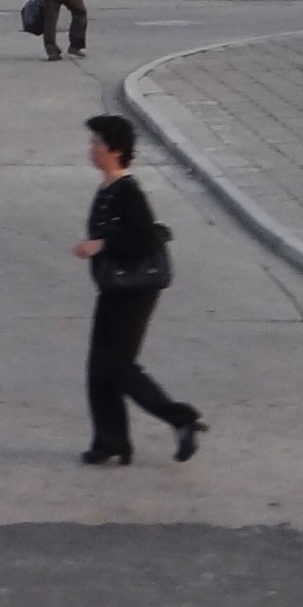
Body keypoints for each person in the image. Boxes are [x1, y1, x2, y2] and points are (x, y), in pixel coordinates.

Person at [72, 114, 207, 466]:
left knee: (118, 366)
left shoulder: (127, 190)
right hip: (113, 287)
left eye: (97, 143)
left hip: (134, 291)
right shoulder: (108, 188)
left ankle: (181, 418)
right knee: (99, 367)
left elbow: (144, 238)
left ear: (115, 150)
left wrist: (101, 245)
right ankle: (110, 441)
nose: (92, 149)